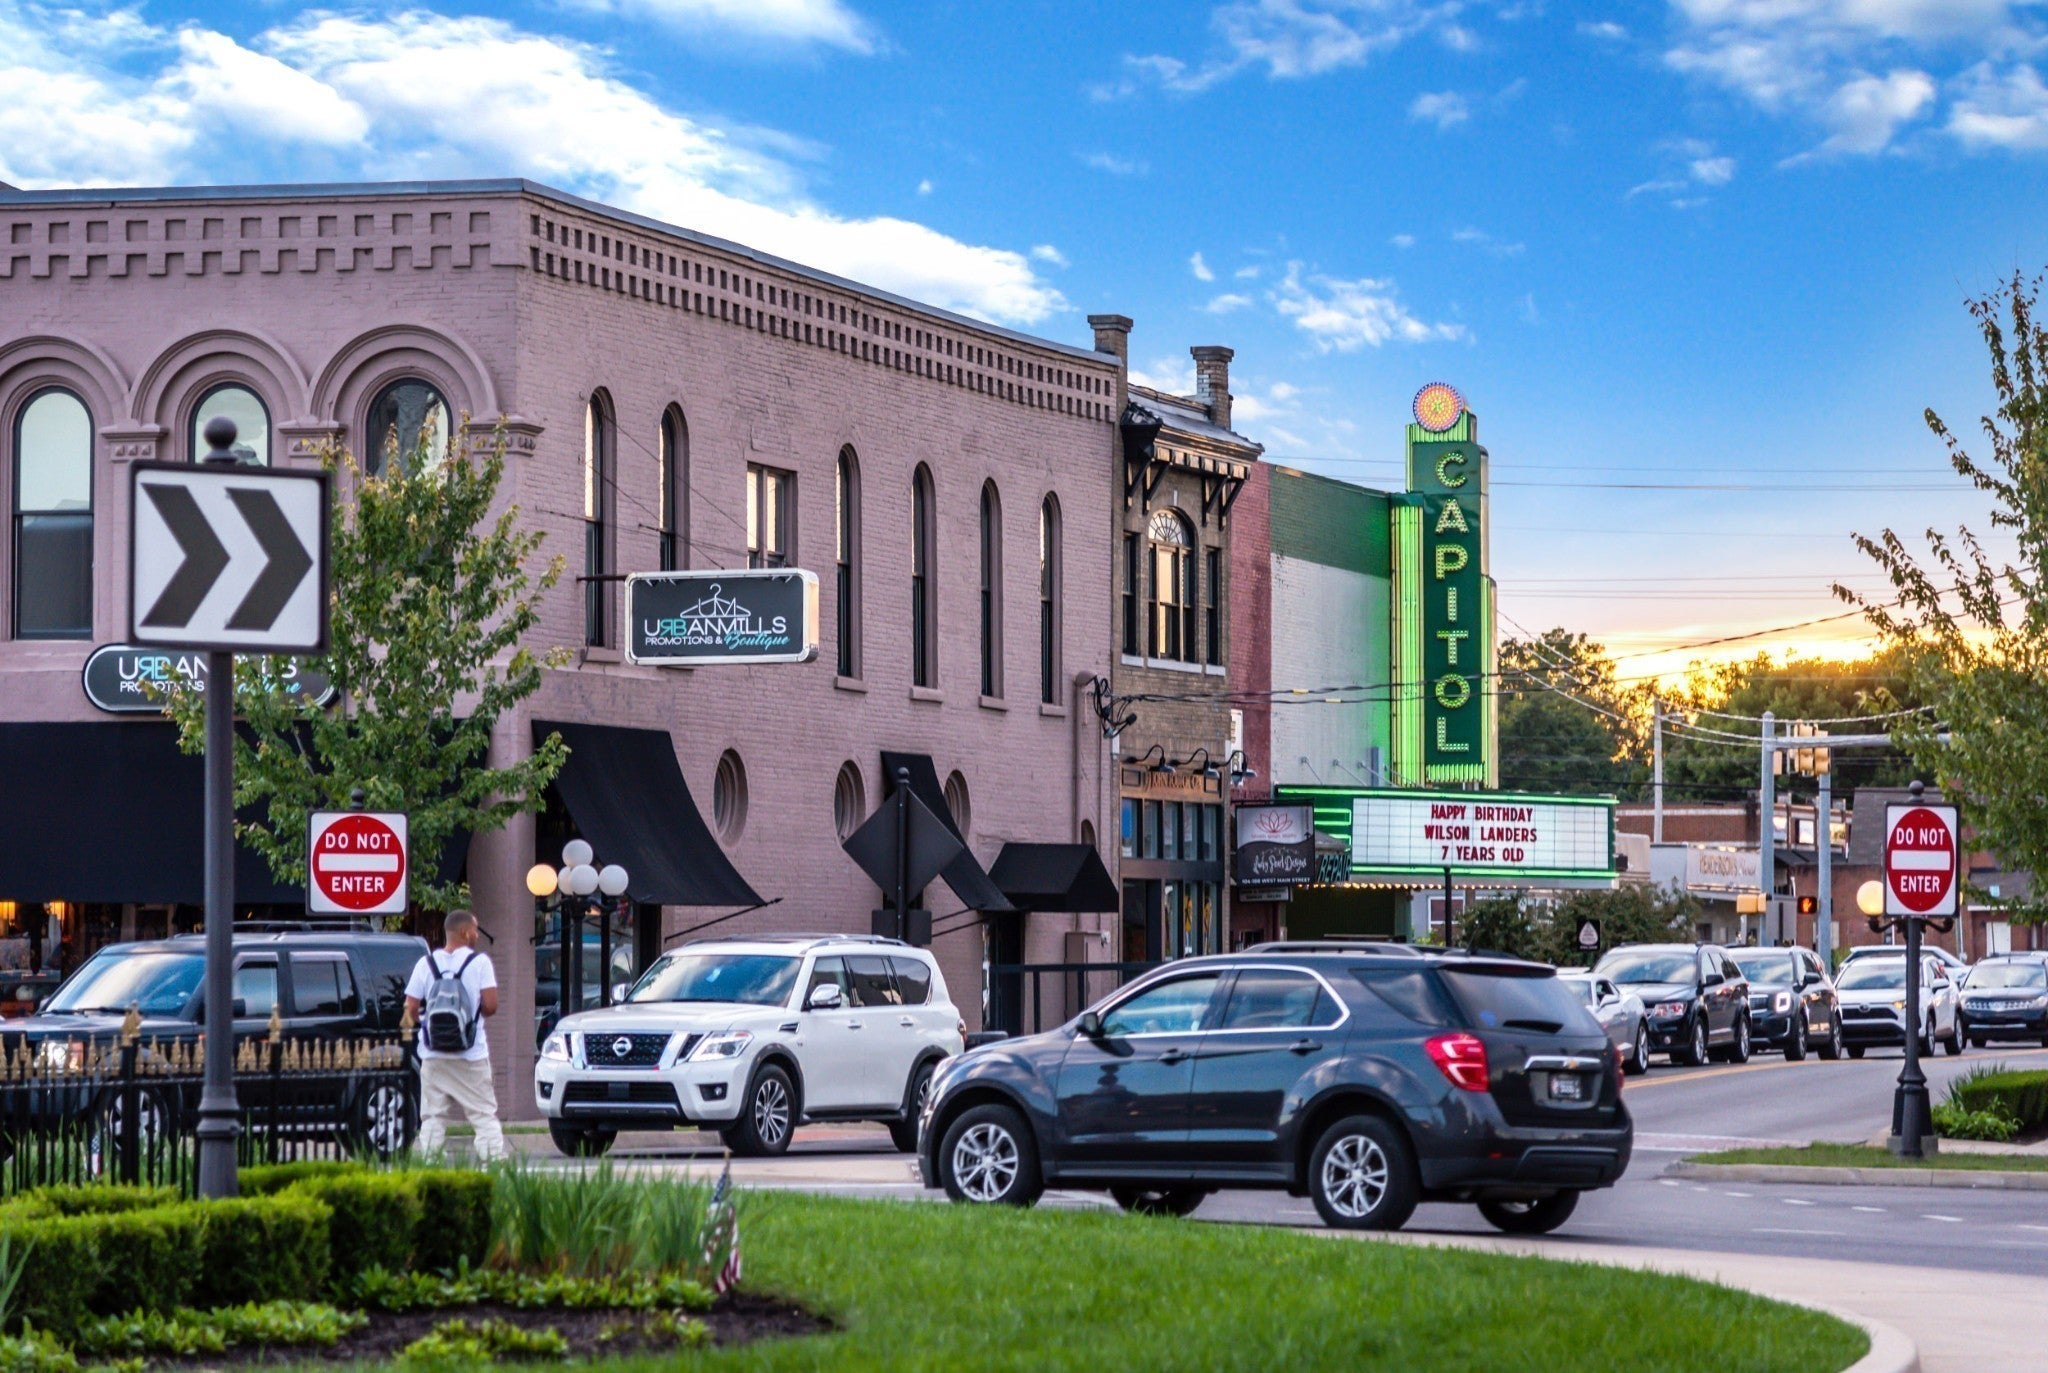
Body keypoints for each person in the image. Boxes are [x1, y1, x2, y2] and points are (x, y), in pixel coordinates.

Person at [403, 909, 507, 1162]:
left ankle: (431, 1165)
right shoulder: (480, 963)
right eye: (475, 930)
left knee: (433, 1117)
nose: (477, 935)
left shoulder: (426, 963)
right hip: (471, 1054)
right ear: (464, 932)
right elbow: (491, 1006)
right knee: (483, 1115)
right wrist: (471, 1013)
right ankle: (493, 1164)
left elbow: (410, 1009)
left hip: (433, 1055)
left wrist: (427, 1025)